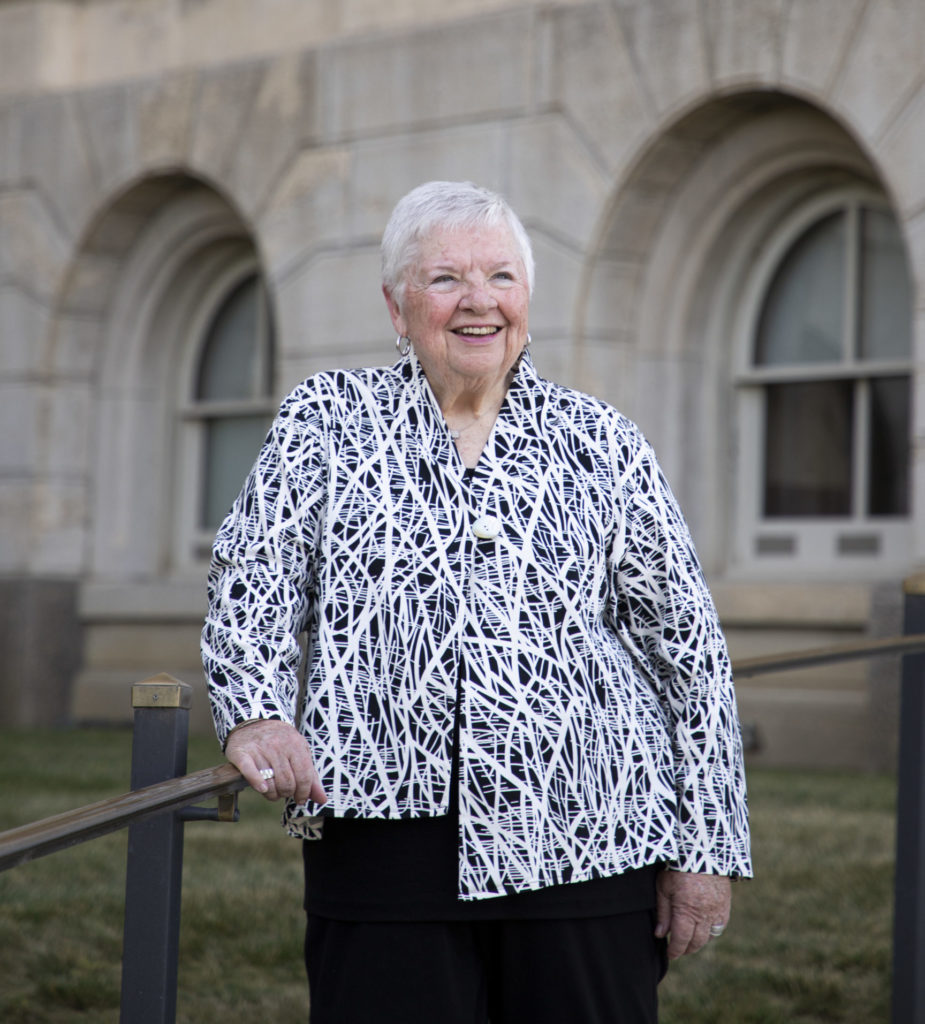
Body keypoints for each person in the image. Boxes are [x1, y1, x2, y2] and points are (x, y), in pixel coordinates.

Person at [202, 180, 752, 1023]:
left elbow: (688, 649)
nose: (478, 302)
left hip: (592, 835)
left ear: (526, 298)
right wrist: (255, 713)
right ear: (397, 304)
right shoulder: (327, 420)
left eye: (500, 277)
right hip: (385, 841)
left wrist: (707, 846)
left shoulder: (599, 439)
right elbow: (252, 583)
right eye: (446, 279)